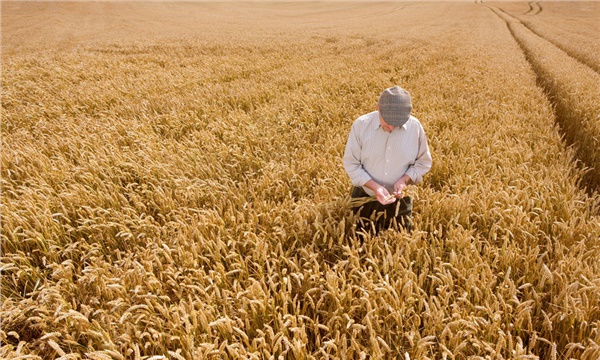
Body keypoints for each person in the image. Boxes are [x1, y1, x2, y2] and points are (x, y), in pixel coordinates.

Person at [343, 86, 432, 235]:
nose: (391, 127)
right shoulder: (361, 125)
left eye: (396, 123)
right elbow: (352, 163)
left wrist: (404, 180)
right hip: (365, 197)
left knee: (402, 241)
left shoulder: (415, 127)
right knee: (361, 239)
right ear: (377, 108)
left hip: (401, 200)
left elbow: (423, 162)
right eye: (387, 121)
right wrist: (375, 187)